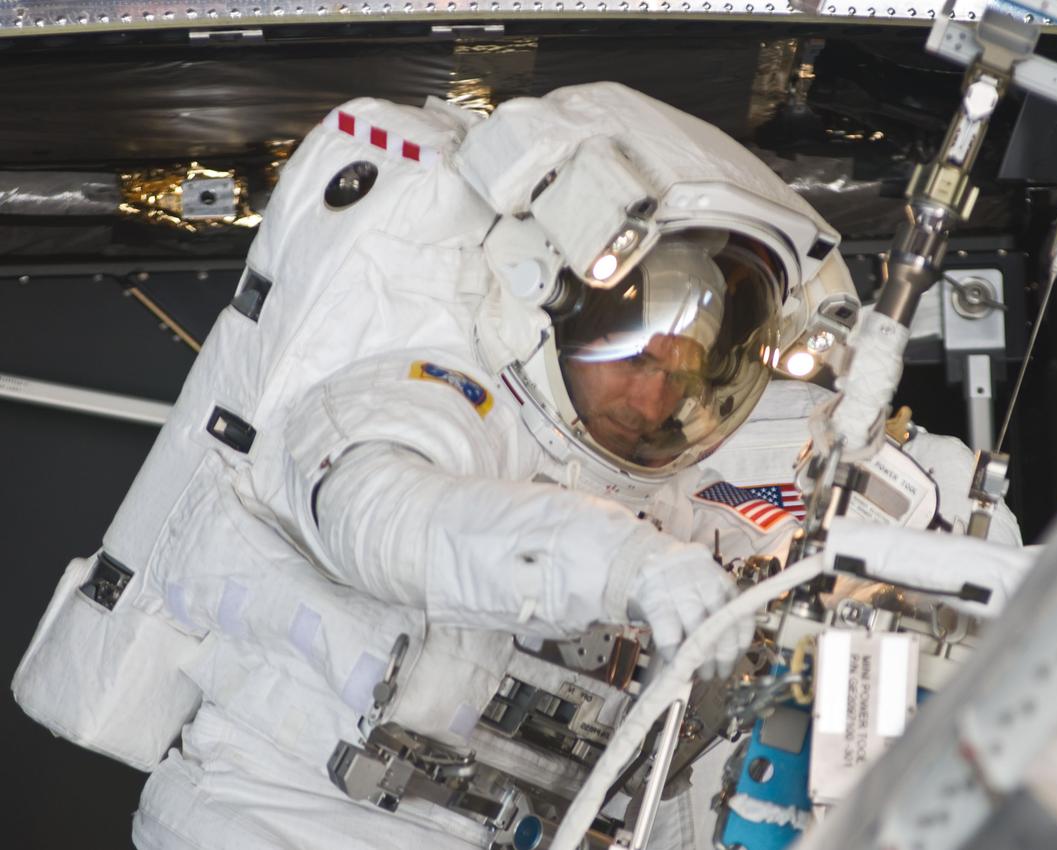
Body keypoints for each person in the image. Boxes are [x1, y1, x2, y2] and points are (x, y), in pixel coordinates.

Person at [13, 83, 853, 850]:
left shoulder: (667, 501)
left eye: (686, 371)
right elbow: (387, 518)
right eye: (635, 352)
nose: (655, 393)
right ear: (558, 298)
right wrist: (621, 563)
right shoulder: (434, 396)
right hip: (271, 820)